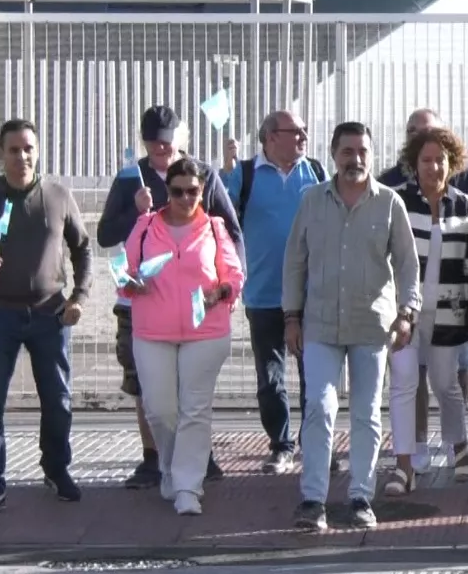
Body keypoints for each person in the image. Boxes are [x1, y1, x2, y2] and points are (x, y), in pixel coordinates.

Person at [284, 122, 421, 532]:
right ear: (333, 154)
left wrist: (407, 312)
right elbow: (294, 262)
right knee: (319, 409)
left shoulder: (390, 203)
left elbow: (408, 265)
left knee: (365, 414)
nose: (355, 159)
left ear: (371, 155)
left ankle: (361, 497)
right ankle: (312, 500)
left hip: (371, 327)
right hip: (321, 326)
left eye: (362, 151)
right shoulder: (312, 201)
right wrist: (291, 316)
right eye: (347, 151)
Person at [96, 105, 241, 488]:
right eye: (153, 141)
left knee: (191, 390)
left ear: (181, 140)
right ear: (143, 141)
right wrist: (134, 209)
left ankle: (198, 460)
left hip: (196, 305)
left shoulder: (202, 176)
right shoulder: (131, 178)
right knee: (148, 387)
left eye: (167, 141)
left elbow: (230, 229)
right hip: (141, 303)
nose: (161, 148)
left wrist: (229, 287)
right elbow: (106, 235)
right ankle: (153, 458)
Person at [123, 157, 245, 515]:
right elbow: (123, 271)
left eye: (192, 191)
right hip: (152, 330)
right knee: (160, 410)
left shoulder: (214, 228)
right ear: (167, 191)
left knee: (194, 409)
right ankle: (168, 469)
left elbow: (234, 276)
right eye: (177, 191)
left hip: (205, 331)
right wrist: (132, 283)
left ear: (202, 191)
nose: (185, 198)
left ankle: (188, 486)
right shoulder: (145, 227)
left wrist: (219, 293)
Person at [377, 107, 468, 471]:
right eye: (426, 160)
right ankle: (409, 458)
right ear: (415, 163)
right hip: (405, 313)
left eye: (440, 160)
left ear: (451, 161)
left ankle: (459, 447)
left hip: (449, 313)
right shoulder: (396, 201)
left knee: (446, 384)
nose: (434, 167)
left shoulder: (465, 202)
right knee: (406, 384)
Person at [222, 111, 329, 474]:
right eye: (294, 131)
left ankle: (312, 444)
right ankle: (280, 446)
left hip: (311, 295)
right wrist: (225, 170)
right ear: (270, 137)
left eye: (304, 130)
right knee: (270, 377)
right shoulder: (246, 174)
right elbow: (219, 213)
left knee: (313, 376)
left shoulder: (314, 171)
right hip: (263, 295)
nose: (302, 137)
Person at [0, 118, 91, 511]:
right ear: (0, 155)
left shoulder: (57, 195)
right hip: (0, 315)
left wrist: (79, 296)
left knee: (58, 399)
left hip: (51, 315)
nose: (22, 156)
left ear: (38, 151)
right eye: (14, 149)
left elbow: (83, 248)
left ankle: (56, 468)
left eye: (28, 148)